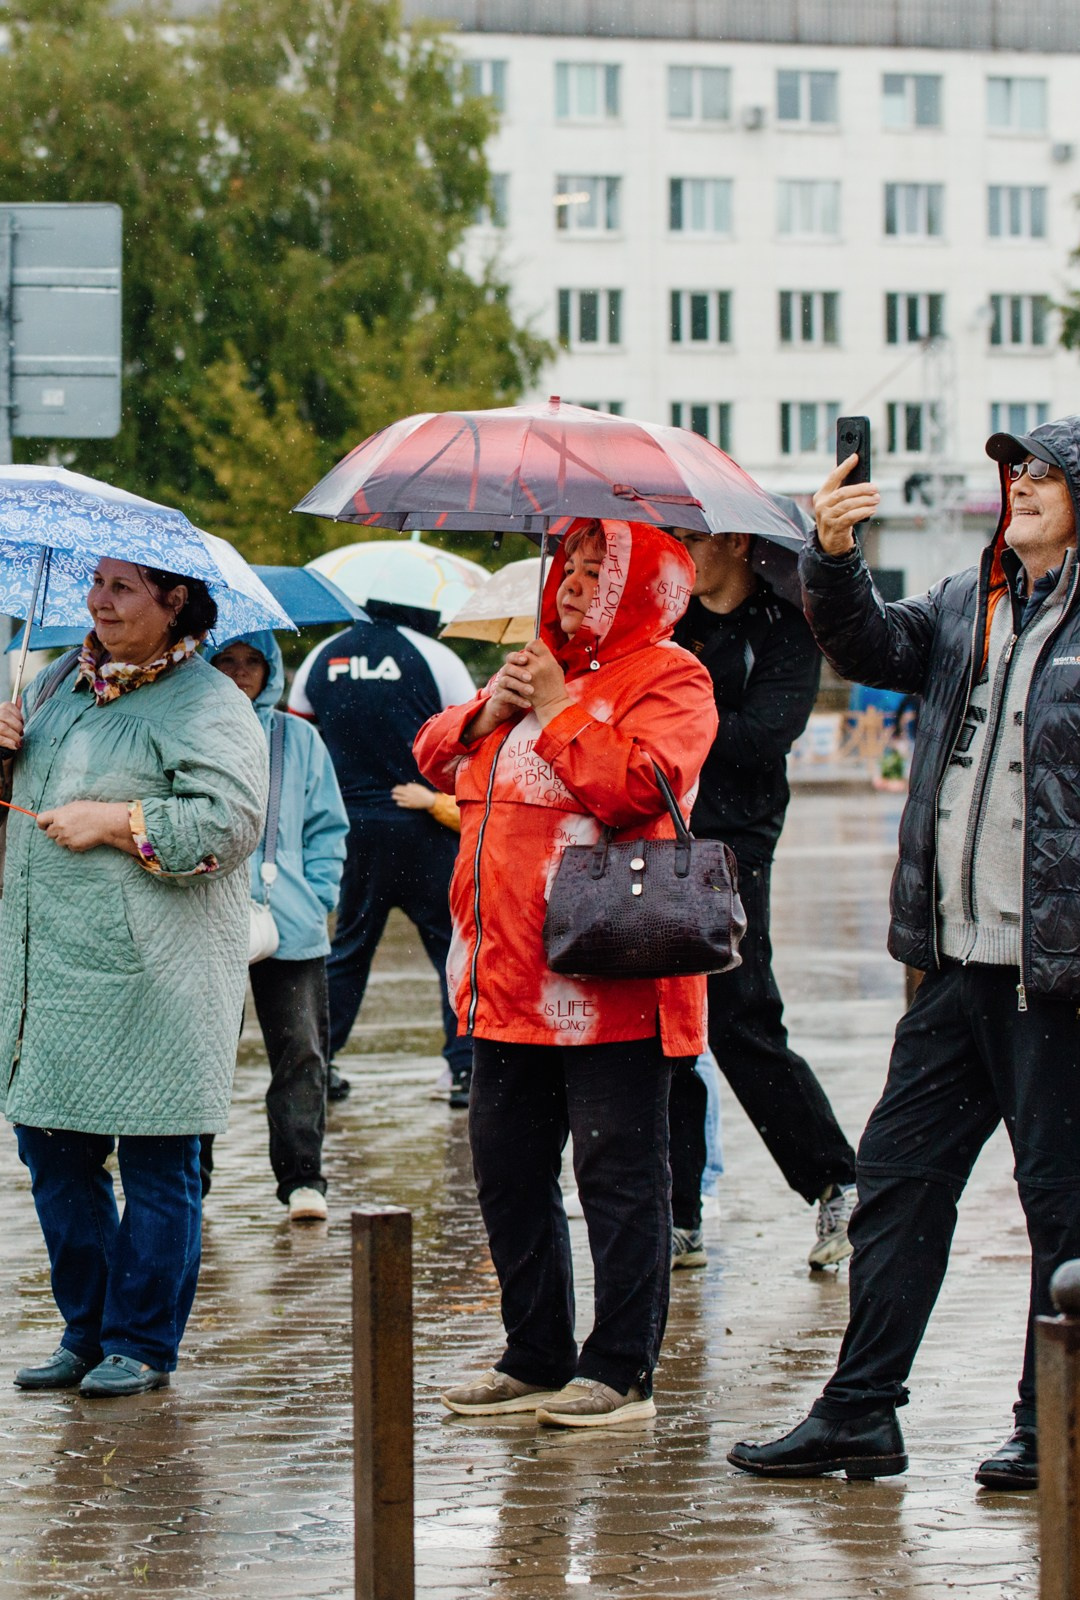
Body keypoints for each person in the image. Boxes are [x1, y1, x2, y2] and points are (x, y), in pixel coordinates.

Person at [731, 416, 1080, 1490]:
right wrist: (833, 558)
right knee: (899, 1183)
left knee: (1059, 1202)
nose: (1025, 488)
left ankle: (1054, 1426)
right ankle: (861, 1413)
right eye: (1018, 473)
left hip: (1059, 975)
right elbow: (868, 647)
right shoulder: (971, 598)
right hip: (956, 968)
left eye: (1046, 474)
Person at [422, 520, 717, 1430]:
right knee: (507, 1169)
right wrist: (490, 710)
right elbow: (433, 753)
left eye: (600, 574)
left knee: (617, 1177)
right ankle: (534, 1353)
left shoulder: (673, 676)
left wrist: (557, 712)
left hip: (609, 979)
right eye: (573, 570)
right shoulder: (533, 664)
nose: (577, 586)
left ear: (645, 592)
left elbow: (637, 786)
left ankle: (621, 1370)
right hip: (500, 977)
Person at [0, 558, 265, 1398]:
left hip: (154, 978)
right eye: (96, 584)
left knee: (159, 1164)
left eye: (123, 588)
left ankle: (141, 1340)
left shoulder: (210, 702)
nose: (99, 600)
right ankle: (86, 1329)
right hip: (52, 972)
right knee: (52, 1153)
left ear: (176, 603)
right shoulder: (60, 679)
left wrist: (117, 821)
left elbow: (231, 823)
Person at [665, 530, 858, 1273]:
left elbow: (760, 737)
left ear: (736, 541)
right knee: (665, 1031)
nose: (678, 551)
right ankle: (680, 1216)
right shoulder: (667, 622)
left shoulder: (785, 626)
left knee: (740, 1021)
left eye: (690, 538)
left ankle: (835, 1181)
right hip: (655, 834)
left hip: (733, 849)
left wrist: (671, 721)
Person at [290, 600, 476, 1107]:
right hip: (424, 824)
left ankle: (317, 1063)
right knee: (451, 950)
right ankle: (466, 1069)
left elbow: (300, 734)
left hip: (352, 829)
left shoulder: (322, 657)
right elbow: (475, 733)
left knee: (348, 951)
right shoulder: (435, 656)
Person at [201, 632, 348, 1223]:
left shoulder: (298, 739)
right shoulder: (188, 730)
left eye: (252, 662)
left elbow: (326, 828)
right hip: (203, 924)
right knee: (201, 1055)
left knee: (301, 1053)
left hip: (289, 923)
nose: (240, 674)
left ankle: (302, 1179)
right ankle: (192, 1178)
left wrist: (315, 897)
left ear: (271, 670)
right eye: (226, 661)